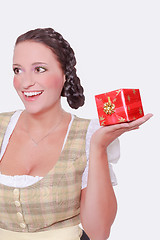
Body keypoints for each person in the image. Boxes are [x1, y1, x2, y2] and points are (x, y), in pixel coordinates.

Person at [0, 28, 152, 240]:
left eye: (39, 69)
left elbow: (98, 233)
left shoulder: (89, 135)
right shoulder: (1, 126)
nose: (25, 83)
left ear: (64, 75)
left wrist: (98, 147)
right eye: (18, 70)